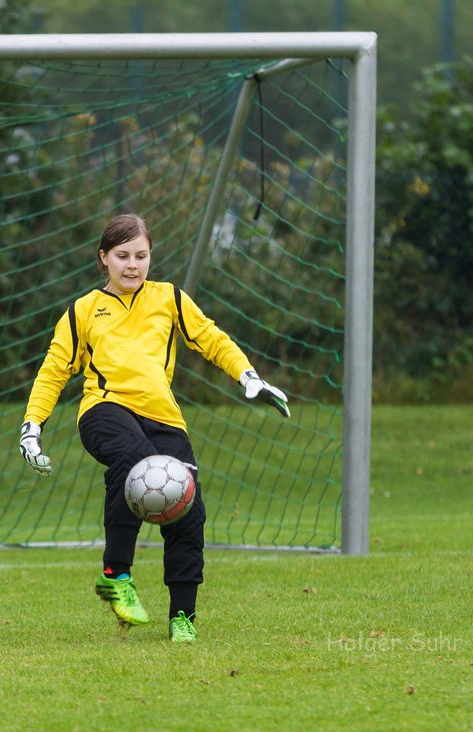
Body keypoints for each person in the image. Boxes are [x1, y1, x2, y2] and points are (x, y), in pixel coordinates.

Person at [18, 213, 291, 642]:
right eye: (122, 256)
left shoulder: (169, 298)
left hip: (165, 418)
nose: (132, 265)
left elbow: (212, 338)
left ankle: (182, 617)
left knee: (188, 508)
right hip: (104, 411)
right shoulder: (84, 311)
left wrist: (248, 376)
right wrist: (32, 425)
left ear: (151, 257)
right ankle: (116, 575)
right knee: (136, 465)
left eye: (141, 256)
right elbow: (54, 371)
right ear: (103, 258)